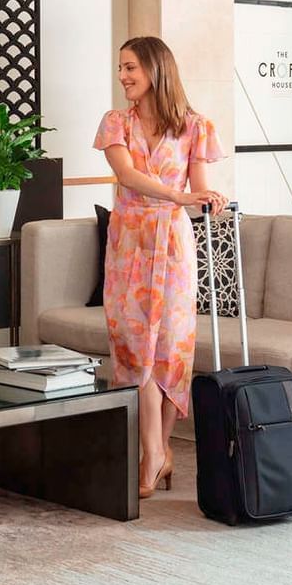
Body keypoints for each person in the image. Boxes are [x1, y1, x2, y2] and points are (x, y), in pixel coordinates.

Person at [94, 36, 227, 499]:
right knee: (134, 345)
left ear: (155, 69)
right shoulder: (116, 123)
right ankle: (153, 453)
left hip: (173, 245)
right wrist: (178, 195)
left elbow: (199, 186)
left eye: (130, 67)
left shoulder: (196, 126)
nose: (123, 76)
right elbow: (127, 176)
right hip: (129, 241)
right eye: (121, 68)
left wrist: (209, 198)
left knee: (170, 348)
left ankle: (159, 452)